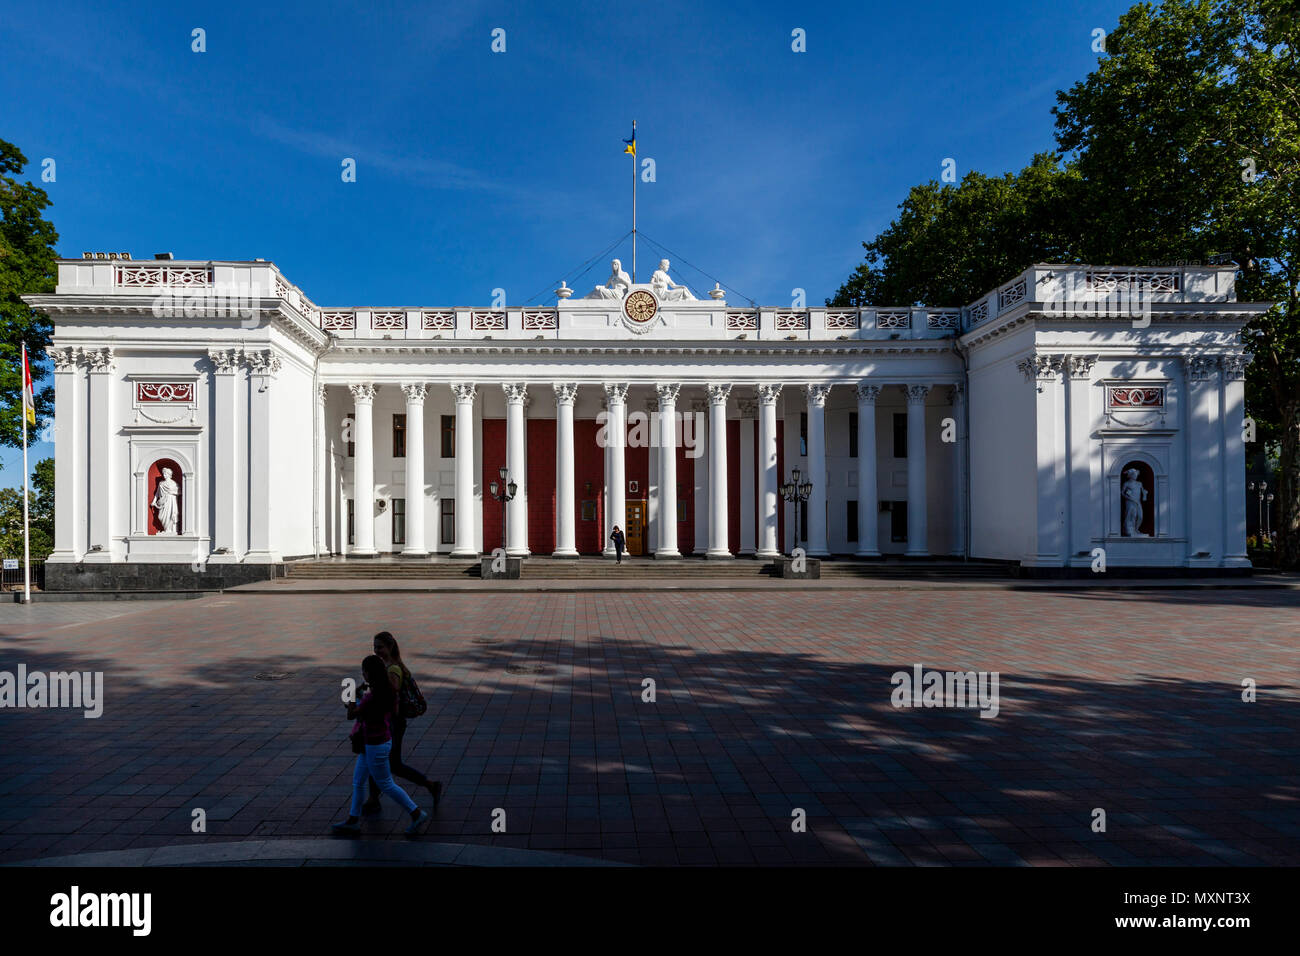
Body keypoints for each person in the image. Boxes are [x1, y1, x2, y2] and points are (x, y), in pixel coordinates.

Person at [332, 655, 429, 836]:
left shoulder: (372, 697)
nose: (363, 674)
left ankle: (416, 813)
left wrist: (353, 694)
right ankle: (353, 820)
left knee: (385, 783)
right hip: (380, 741)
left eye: (364, 671)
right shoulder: (390, 692)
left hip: (374, 745)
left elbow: (351, 714)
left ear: (369, 673)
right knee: (358, 781)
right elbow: (393, 712)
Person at [363, 631, 441, 814]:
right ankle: (373, 799)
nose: (376, 651)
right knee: (384, 762)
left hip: (393, 723)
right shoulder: (391, 665)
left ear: (390, 647)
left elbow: (392, 693)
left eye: (380, 647)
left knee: (385, 762)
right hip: (393, 722)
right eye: (374, 647)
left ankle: (430, 786)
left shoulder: (392, 669)